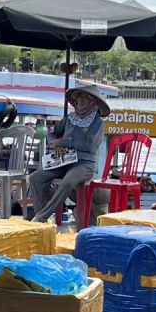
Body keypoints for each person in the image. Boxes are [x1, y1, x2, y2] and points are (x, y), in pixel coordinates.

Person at [29, 87, 110, 223]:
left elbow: (89, 146)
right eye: (79, 97)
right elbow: (51, 133)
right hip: (64, 159)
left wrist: (64, 141)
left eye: (85, 98)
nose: (81, 100)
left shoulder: (97, 123)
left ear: (92, 103)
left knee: (67, 182)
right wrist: (57, 145)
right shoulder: (69, 119)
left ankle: (41, 216)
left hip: (84, 164)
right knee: (35, 178)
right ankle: (40, 219)